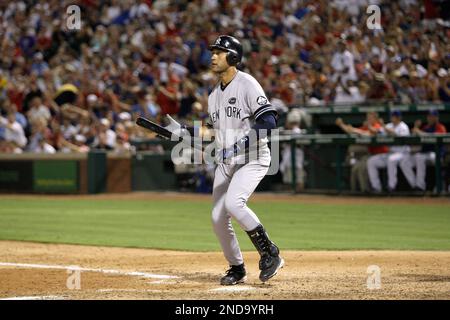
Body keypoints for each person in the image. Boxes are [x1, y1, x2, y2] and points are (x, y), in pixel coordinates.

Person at [208, 35, 283, 285]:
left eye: (219, 52)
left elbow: (269, 121)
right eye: (213, 52)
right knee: (218, 218)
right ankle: (237, 268)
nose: (213, 56)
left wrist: (238, 145)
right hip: (228, 162)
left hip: (252, 157)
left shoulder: (247, 84)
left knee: (234, 203)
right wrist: (184, 133)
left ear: (233, 57)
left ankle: (270, 253)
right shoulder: (212, 96)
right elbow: (212, 132)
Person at [335, 112, 388, 193]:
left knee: (363, 167)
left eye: (371, 118)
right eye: (368, 118)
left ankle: (369, 190)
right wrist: (341, 124)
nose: (368, 120)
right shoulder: (367, 127)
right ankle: (358, 190)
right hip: (372, 156)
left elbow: (370, 133)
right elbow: (353, 131)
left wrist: (359, 129)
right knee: (356, 168)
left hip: (383, 155)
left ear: (376, 119)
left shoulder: (378, 126)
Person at [367, 110, 415, 193]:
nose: (393, 118)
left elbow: (395, 134)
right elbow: (378, 132)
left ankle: (391, 186)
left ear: (399, 117)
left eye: (395, 116)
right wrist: (370, 127)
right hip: (391, 153)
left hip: (403, 153)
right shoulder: (389, 125)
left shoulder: (403, 127)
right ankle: (376, 187)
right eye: (392, 116)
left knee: (391, 160)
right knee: (371, 161)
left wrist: (383, 126)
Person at [407, 110, 447, 191]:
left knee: (434, 160)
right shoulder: (426, 128)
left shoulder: (440, 127)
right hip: (425, 154)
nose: (430, 118)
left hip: (437, 154)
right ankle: (420, 186)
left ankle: (440, 186)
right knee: (418, 157)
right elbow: (416, 139)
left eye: (432, 116)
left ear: (436, 118)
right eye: (429, 116)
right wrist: (416, 128)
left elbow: (433, 137)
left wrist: (419, 131)